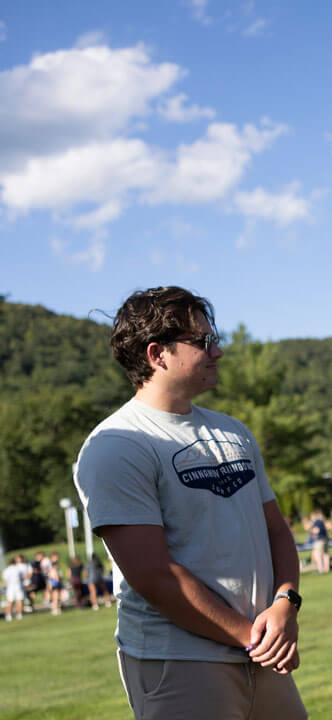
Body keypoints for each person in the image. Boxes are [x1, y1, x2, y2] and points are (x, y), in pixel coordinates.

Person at [73, 286, 306, 720]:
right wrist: (257, 638)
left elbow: (275, 529)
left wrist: (285, 603)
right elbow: (154, 575)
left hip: (259, 651)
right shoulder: (116, 446)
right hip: (181, 660)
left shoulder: (233, 431)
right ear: (157, 354)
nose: (217, 351)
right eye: (202, 342)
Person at [4, 554, 27, 621]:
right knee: (19, 600)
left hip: (10, 587)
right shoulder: (18, 569)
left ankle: (8, 615)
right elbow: (22, 578)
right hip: (18, 586)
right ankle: (19, 614)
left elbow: (6, 581)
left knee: (10, 601)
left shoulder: (6, 570)